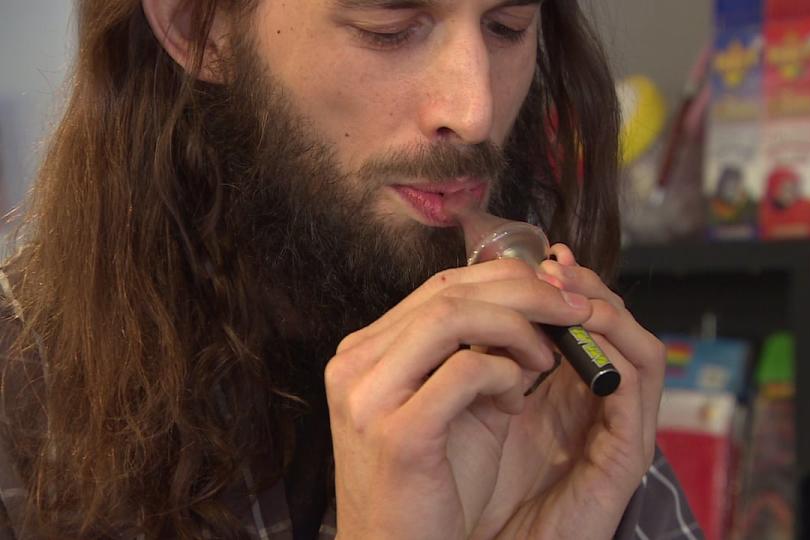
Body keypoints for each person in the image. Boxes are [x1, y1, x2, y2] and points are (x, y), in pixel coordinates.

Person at [0, 0, 701, 538]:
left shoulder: (555, 401)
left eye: (508, 26)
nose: (476, 111)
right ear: (198, 24)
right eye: (389, 27)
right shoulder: (18, 401)